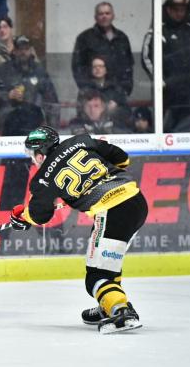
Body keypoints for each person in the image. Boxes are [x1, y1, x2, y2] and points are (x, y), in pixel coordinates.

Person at [9, 126, 148, 334]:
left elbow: (40, 215)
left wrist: (23, 217)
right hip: (137, 201)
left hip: (112, 211)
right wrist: (97, 181)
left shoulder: (42, 179)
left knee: (96, 276)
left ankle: (121, 309)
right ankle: (107, 304)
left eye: (32, 155)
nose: (33, 160)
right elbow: (122, 158)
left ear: (40, 154)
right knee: (108, 265)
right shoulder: (81, 142)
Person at [144, 0, 190, 132]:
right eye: (175, 9)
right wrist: (160, 81)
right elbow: (147, 58)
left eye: (182, 9)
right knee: (166, 133)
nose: (179, 13)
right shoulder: (158, 31)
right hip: (167, 95)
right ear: (168, 10)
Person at [0, 35, 59, 135]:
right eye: (20, 49)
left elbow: (52, 101)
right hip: (7, 122)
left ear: (31, 50)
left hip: (34, 122)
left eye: (26, 49)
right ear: (14, 50)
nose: (23, 52)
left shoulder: (39, 71)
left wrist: (52, 130)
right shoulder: (1, 71)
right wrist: (7, 95)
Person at [72, 2, 134, 95]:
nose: (104, 16)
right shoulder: (85, 38)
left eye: (107, 13)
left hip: (118, 95)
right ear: (95, 17)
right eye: (101, 14)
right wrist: (88, 91)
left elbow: (128, 65)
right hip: (93, 95)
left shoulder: (122, 38)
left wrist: (125, 90)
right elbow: (77, 67)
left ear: (113, 16)